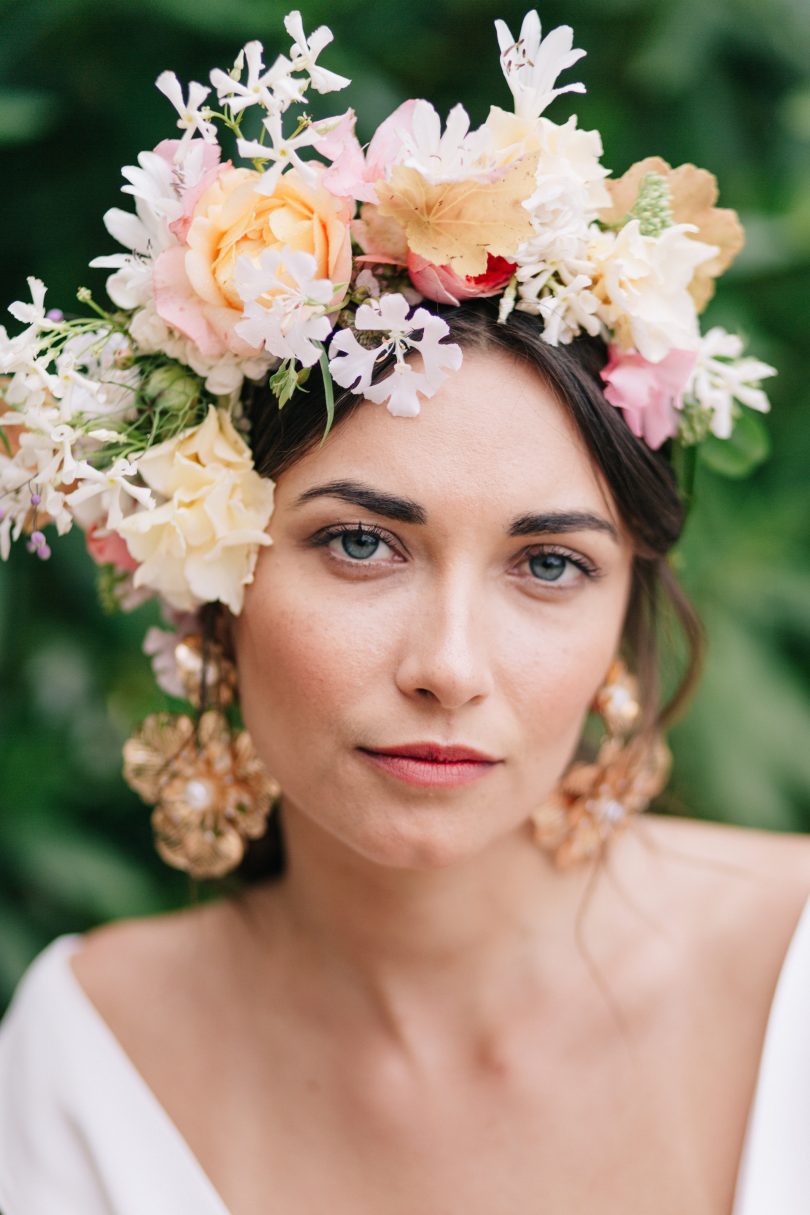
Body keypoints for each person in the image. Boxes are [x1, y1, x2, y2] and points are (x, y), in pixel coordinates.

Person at [0, 10, 805, 1215]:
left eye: (548, 567)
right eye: (363, 543)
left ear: (629, 605)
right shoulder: (94, 1052)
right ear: (213, 583)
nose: (449, 667)